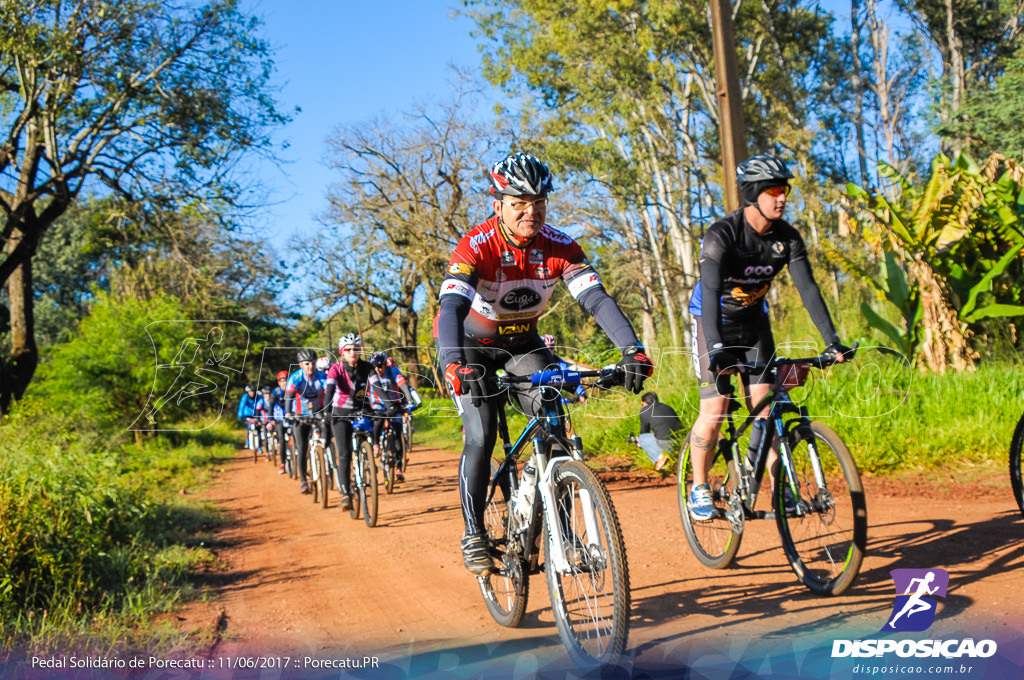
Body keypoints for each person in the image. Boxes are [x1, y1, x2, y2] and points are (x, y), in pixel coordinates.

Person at [435, 152, 653, 575]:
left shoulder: (559, 246)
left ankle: (564, 537)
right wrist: (451, 361)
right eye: (518, 202)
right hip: (471, 349)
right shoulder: (476, 245)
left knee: (555, 424)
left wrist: (631, 349)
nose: (529, 211)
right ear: (497, 204)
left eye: (538, 202)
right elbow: (450, 309)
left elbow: (596, 299)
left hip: (523, 345)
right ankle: (474, 532)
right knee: (480, 437)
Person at [686, 153, 850, 521]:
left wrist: (832, 340)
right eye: (774, 191)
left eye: (785, 191)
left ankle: (781, 490)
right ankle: (698, 486)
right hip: (712, 322)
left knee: (768, 409)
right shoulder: (722, 235)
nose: (782, 198)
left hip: (754, 326)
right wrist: (715, 349)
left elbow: (808, 289)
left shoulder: (787, 237)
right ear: (754, 194)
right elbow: (710, 294)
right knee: (716, 408)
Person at [322, 334, 373, 511]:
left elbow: (379, 387)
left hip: (361, 409)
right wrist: (327, 410)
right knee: (344, 454)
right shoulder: (335, 369)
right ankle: (345, 493)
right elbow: (329, 389)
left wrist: (388, 404)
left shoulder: (367, 367)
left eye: (356, 349)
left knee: (371, 434)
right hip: (340, 413)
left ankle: (369, 459)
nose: (353, 352)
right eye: (348, 349)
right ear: (342, 353)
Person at [366, 351, 416, 484]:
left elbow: (403, 385)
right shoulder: (370, 374)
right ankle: (376, 444)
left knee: (398, 435)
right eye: (374, 366)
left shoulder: (392, 371)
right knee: (377, 422)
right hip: (377, 406)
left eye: (380, 366)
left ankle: (399, 468)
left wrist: (409, 400)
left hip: (394, 406)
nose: (378, 369)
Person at [284, 349, 328, 494]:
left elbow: (330, 392)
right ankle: (304, 481)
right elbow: (289, 395)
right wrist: (289, 413)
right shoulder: (295, 377)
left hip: (318, 412)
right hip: (300, 415)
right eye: (307, 363)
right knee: (302, 448)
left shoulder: (322, 376)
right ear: (301, 365)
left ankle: (329, 467)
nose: (311, 366)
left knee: (328, 439)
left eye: (313, 363)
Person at [635, 392, 683, 471]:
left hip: (665, 442)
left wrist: (638, 441)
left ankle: (659, 457)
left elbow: (644, 432)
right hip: (679, 441)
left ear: (645, 403)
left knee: (642, 438)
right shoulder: (667, 407)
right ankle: (670, 457)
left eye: (641, 403)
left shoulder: (644, 410)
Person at [542, 333, 587, 405]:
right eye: (547, 348)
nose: (550, 350)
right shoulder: (537, 361)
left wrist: (581, 393)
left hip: (554, 395)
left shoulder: (558, 362)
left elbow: (568, 375)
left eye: (552, 348)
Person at [271, 370, 289, 472]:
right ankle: (283, 463)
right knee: (282, 441)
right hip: (279, 419)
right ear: (279, 382)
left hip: (291, 417)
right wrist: (271, 418)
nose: (284, 383)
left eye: (286, 380)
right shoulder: (275, 392)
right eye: (282, 381)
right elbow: (271, 405)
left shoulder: (293, 390)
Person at [236, 384, 259, 448]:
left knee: (259, 428)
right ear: (248, 392)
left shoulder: (258, 397)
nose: (252, 393)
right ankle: (248, 441)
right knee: (249, 428)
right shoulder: (245, 397)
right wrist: (240, 416)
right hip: (247, 415)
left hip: (256, 415)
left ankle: (259, 445)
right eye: (250, 391)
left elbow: (261, 404)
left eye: (253, 391)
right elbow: (241, 406)